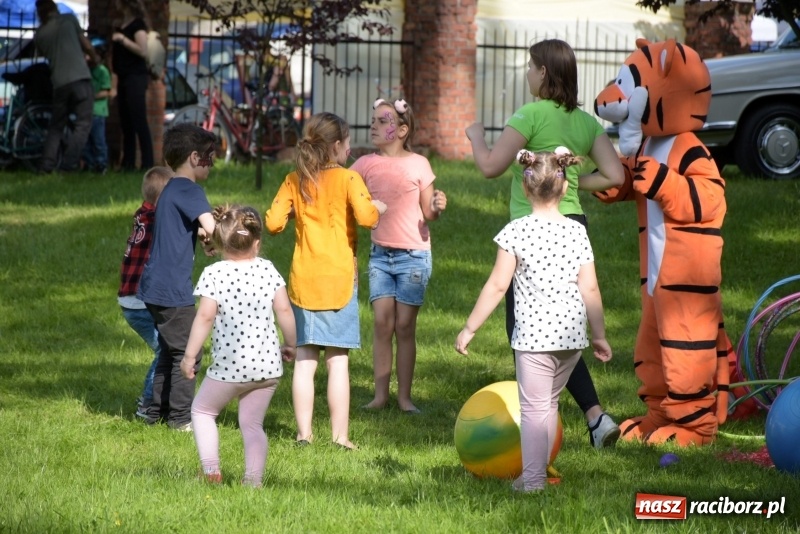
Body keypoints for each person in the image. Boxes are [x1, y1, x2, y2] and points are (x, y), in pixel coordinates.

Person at [465, 38, 625, 449]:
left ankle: (549, 418)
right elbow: (614, 175)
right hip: (572, 222)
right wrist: (571, 183)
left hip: (531, 227)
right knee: (561, 325)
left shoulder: (530, 114)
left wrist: (475, 137)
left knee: (528, 330)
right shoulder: (586, 122)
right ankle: (593, 418)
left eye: (530, 67)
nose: (527, 73)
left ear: (544, 74)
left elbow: (489, 167)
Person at [455, 148, 613, 492]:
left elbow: (498, 285)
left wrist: (470, 328)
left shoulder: (516, 231)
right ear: (565, 186)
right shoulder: (576, 232)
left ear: (525, 189)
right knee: (547, 405)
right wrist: (598, 335)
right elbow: (590, 287)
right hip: (571, 339)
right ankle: (537, 473)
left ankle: (533, 481)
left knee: (533, 411)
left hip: (534, 341)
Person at [265, 112, 386, 450]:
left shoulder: (294, 179)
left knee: (305, 361)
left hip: (303, 283)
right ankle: (339, 437)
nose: (348, 151)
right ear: (336, 145)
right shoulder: (349, 180)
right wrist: (379, 207)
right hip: (339, 283)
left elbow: (273, 223)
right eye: (347, 145)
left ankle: (304, 434)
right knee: (337, 362)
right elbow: (367, 218)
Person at [180, 204, 297, 487]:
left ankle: (211, 472)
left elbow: (205, 316)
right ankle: (253, 481)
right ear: (257, 244)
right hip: (267, 366)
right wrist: (291, 344)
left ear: (219, 242)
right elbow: (283, 311)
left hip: (230, 368)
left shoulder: (214, 274)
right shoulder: (268, 269)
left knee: (202, 411)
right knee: (252, 425)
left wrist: (189, 355)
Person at [350, 98, 447, 414]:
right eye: (373, 120)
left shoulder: (419, 164)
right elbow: (342, 187)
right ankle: (380, 396)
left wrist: (436, 206)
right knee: (382, 323)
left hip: (414, 257)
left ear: (402, 129)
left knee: (404, 326)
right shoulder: (365, 164)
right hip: (380, 256)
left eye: (381, 121)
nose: (373, 126)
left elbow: (429, 211)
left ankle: (404, 398)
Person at [137, 123, 217, 431]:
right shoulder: (190, 188)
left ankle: (154, 411)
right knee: (189, 354)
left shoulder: (171, 187)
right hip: (173, 290)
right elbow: (212, 227)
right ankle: (181, 419)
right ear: (195, 158)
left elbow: (188, 226)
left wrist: (202, 235)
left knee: (171, 352)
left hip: (154, 286)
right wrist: (229, 234)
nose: (213, 163)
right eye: (210, 157)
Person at [118, 166, 174, 418]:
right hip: (137, 304)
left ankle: (160, 399)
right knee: (165, 348)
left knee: (166, 346)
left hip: (132, 299)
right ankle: (148, 403)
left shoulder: (143, 214)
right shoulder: (155, 222)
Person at [33, 0, 99, 174]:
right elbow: (86, 45)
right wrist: (95, 58)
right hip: (80, 78)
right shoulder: (68, 20)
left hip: (59, 83)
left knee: (56, 127)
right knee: (83, 124)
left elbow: (44, 54)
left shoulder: (40, 34)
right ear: (55, 7)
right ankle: (68, 165)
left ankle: (46, 165)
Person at [111, 0, 154, 171]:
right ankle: (128, 163)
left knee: (139, 120)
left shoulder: (137, 25)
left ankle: (147, 163)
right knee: (126, 122)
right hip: (123, 77)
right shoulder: (121, 24)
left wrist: (123, 39)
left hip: (135, 78)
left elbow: (142, 50)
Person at [82, 37, 113, 174]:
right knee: (86, 141)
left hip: (98, 112)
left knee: (98, 140)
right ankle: (90, 163)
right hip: (88, 111)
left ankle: (101, 164)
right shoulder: (87, 70)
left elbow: (106, 92)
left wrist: (91, 96)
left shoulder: (102, 71)